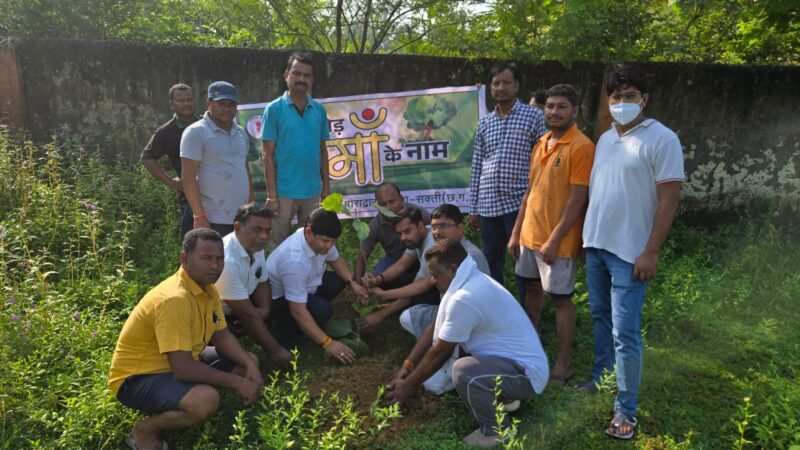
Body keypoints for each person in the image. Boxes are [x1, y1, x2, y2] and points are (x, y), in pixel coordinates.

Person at [578, 66, 684, 440]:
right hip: (596, 245)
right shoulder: (606, 139)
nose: (622, 103)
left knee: (626, 332)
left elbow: (668, 201)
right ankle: (601, 378)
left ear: (645, 99)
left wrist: (650, 252)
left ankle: (626, 410)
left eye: (630, 96)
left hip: (631, 253)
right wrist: (586, 238)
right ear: (608, 101)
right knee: (599, 317)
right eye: (616, 97)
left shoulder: (662, 139)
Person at [108, 229, 264, 450]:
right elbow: (183, 369)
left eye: (219, 259)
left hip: (180, 362)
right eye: (206, 258)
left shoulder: (208, 289)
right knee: (205, 400)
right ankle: (145, 430)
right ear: (184, 259)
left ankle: (186, 401)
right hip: (136, 379)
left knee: (247, 361)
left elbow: (221, 335)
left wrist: (249, 365)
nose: (215, 266)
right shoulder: (175, 299)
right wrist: (237, 383)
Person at [385, 239, 548, 448]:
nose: (432, 281)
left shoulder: (465, 296)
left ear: (452, 269)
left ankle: (497, 430)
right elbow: (434, 329)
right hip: (511, 362)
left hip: (527, 375)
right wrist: (406, 367)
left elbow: (440, 352)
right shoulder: (467, 278)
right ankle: (504, 398)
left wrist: (408, 386)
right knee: (446, 374)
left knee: (463, 372)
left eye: (435, 274)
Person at [509, 84, 595, 386]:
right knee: (532, 291)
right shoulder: (542, 142)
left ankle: (562, 364)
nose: (554, 112)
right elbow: (530, 192)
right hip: (530, 236)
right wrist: (517, 231)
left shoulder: (582, 147)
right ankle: (527, 350)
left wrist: (554, 239)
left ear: (575, 110)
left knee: (560, 300)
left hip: (556, 242)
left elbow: (577, 200)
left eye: (561, 107)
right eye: (549, 106)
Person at [469, 61, 546, 292]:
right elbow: (477, 166)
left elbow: (542, 162)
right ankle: (496, 313)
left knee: (523, 264)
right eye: (495, 83)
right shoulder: (485, 123)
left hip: (518, 205)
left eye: (506, 83)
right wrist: (473, 208)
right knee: (491, 263)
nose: (500, 88)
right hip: (488, 206)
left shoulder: (533, 116)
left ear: (516, 86)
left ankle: (525, 317)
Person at [361, 205, 488, 338]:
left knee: (412, 309)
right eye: (435, 226)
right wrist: (377, 280)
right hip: (453, 310)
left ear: (460, 228)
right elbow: (401, 265)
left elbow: (421, 285)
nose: (437, 232)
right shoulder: (437, 242)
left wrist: (385, 299)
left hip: (472, 318)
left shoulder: (466, 256)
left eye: (444, 226)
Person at [265, 208, 369, 364]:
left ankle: (311, 315)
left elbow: (335, 260)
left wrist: (352, 282)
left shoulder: (318, 236)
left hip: (306, 284)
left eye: (332, 242)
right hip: (279, 299)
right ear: (308, 232)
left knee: (338, 280)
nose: (329, 246)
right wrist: (328, 343)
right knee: (323, 311)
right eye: (325, 241)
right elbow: (298, 311)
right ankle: (281, 331)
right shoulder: (294, 261)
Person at [261, 52, 331, 250]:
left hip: (312, 192)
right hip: (283, 194)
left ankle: (309, 281)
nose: (301, 79)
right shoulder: (274, 109)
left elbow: (323, 151)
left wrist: (326, 188)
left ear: (312, 79)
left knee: (312, 243)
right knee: (276, 244)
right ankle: (275, 281)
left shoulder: (319, 110)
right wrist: (272, 196)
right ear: (286, 75)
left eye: (307, 75)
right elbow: (267, 155)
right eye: (296, 73)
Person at [215, 203, 293, 370]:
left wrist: (265, 310)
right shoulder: (227, 260)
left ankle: (265, 334)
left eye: (267, 231)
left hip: (243, 304)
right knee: (234, 356)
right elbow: (246, 314)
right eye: (257, 229)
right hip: (219, 315)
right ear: (237, 227)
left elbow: (262, 279)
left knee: (281, 306)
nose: (264, 236)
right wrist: (275, 350)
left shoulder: (254, 245)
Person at [181, 81, 254, 237]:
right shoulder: (196, 132)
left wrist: (251, 204)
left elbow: (245, 168)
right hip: (213, 218)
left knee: (239, 260)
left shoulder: (241, 133)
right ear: (209, 103)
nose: (227, 109)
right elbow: (188, 177)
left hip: (241, 216)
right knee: (211, 260)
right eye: (222, 103)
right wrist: (199, 216)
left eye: (232, 104)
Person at [140, 83, 201, 241]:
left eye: (189, 99)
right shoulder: (166, 132)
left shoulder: (207, 124)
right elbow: (147, 158)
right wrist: (171, 182)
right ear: (171, 104)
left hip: (217, 195)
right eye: (181, 100)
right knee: (195, 245)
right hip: (190, 199)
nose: (186, 103)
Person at [354, 182, 431, 291]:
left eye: (392, 201)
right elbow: (362, 256)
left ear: (401, 198)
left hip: (422, 255)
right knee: (378, 276)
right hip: (397, 259)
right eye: (383, 204)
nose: (388, 208)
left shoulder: (419, 214)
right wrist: (359, 287)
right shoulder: (375, 225)